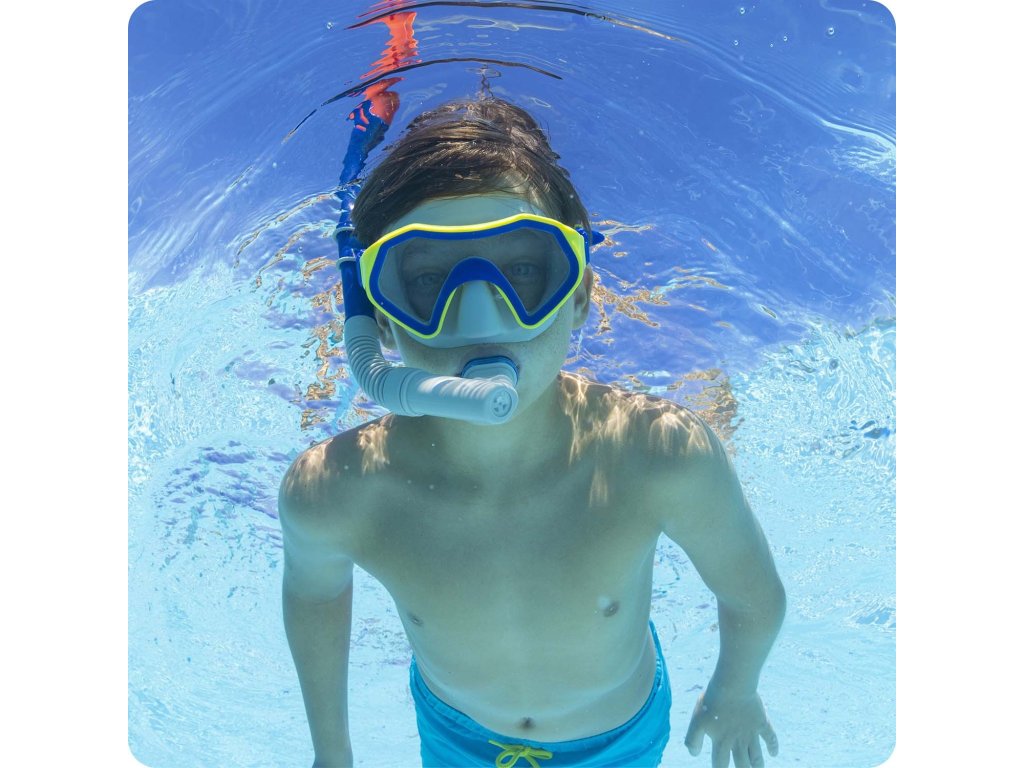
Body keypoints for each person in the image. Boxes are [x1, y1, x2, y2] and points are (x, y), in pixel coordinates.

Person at [279, 96, 786, 768]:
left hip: (618, 739)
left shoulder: (658, 455)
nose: (480, 313)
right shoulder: (335, 491)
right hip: (457, 736)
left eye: (522, 270)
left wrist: (736, 689)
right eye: (428, 279)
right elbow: (314, 595)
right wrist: (331, 752)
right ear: (384, 322)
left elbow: (753, 594)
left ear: (578, 296)